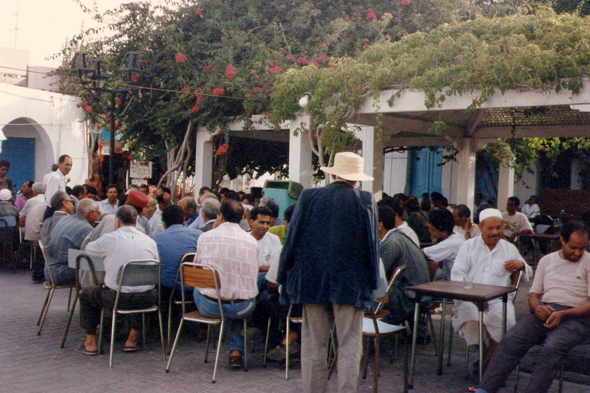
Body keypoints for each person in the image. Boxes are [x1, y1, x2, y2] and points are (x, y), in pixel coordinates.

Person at [277, 152, 380, 393]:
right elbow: (372, 248)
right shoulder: (365, 200)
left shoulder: (309, 196)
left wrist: (283, 277)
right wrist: (371, 284)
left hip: (311, 282)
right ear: (357, 179)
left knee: (314, 344)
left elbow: (291, 240)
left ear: (332, 173)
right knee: (349, 345)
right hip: (350, 284)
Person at [474, 219, 590, 393]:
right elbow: (534, 296)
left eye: (582, 248)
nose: (577, 253)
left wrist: (564, 314)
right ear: (562, 240)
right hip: (545, 311)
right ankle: (485, 389)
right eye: (573, 247)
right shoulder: (546, 261)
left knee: (552, 347)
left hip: (577, 317)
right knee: (512, 338)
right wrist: (538, 308)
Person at [451, 208, 532, 374]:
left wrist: (521, 265)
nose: (495, 232)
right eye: (490, 228)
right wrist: (475, 298)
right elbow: (457, 277)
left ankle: (484, 366)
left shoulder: (509, 248)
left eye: (498, 228)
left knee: (506, 322)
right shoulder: (468, 246)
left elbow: (528, 272)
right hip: (471, 299)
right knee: (470, 318)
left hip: (499, 301)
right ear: (481, 227)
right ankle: (483, 360)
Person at [77, 205, 160, 355]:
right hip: (147, 298)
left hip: (116, 298)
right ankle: (132, 339)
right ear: (136, 221)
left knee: (85, 295)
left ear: (117, 221)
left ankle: (90, 341)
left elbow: (88, 249)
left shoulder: (110, 239)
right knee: (138, 289)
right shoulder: (150, 241)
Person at [192, 199, 259, 369]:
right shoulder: (251, 241)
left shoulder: (205, 237)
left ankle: (227, 334)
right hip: (243, 307)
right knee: (239, 305)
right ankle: (236, 352)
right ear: (243, 217)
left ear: (220, 216)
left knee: (199, 289)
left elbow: (197, 271)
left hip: (210, 306)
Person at [378, 205, 430, 325]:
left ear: (380, 225)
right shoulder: (398, 237)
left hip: (409, 298)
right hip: (416, 295)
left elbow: (378, 273)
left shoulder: (391, 242)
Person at [153, 205, 202, 301]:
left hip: (169, 291)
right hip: (196, 288)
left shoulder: (156, 240)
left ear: (164, 223)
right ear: (183, 220)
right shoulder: (199, 236)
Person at [45, 199, 99, 285]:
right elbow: (97, 253)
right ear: (91, 213)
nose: (98, 217)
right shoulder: (86, 229)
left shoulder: (65, 219)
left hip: (50, 269)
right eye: (98, 213)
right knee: (99, 268)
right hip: (61, 273)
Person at [423, 209, 466, 281]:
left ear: (444, 232)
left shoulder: (450, 244)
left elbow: (421, 253)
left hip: (458, 285)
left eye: (432, 230)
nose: (429, 231)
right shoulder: (457, 235)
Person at [249, 207, 282, 271]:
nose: (265, 226)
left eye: (268, 223)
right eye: (261, 222)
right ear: (251, 222)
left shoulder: (274, 239)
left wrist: (258, 268)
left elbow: (275, 269)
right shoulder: (244, 239)